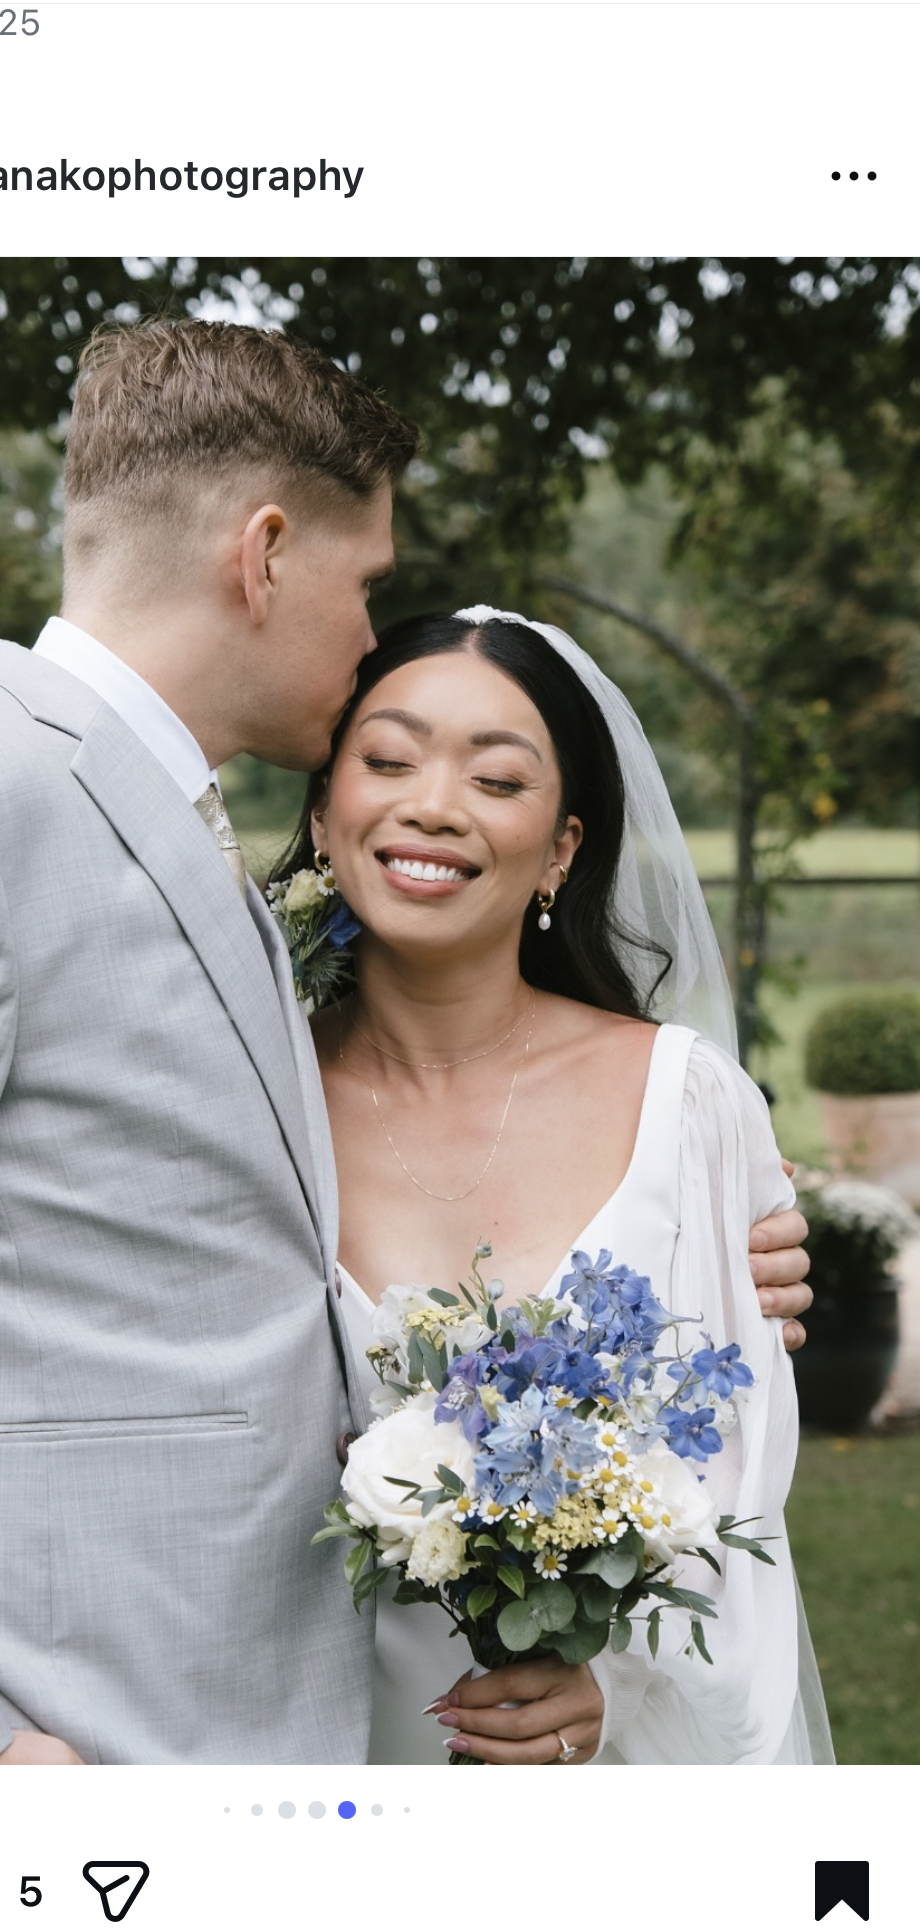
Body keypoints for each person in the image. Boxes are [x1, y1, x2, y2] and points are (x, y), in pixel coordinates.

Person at [0, 321, 811, 1765]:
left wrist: (700, 1255)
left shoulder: (194, 842)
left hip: (261, 1744)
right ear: (265, 552)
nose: (368, 635)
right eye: (364, 584)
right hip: (46, 1770)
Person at [289, 608, 832, 1765]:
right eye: (387, 760)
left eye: (495, 779)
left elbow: (731, 1512)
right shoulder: (246, 1093)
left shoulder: (683, 1107)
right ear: (326, 813)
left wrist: (605, 1684)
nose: (432, 803)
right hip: (299, 1761)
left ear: (564, 848)